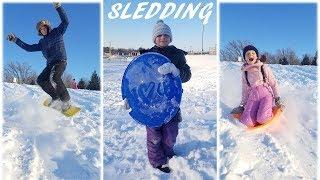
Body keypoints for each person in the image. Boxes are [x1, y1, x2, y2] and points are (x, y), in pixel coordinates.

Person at [134, 20, 191, 173]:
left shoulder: (177, 55)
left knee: (171, 135)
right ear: (154, 38)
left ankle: (168, 152)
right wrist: (130, 98)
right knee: (154, 135)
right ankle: (157, 161)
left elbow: (187, 74)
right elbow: (136, 80)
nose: (163, 37)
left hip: (171, 102)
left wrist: (176, 70)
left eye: (166, 35)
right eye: (159, 35)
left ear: (170, 37)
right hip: (151, 103)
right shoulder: (147, 56)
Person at [7, 2, 71, 110]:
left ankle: (65, 101)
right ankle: (55, 98)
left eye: (44, 27)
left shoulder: (57, 32)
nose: (43, 30)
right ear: (40, 31)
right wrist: (16, 40)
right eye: (41, 29)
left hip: (60, 61)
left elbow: (65, 21)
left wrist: (58, 7)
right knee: (41, 80)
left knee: (55, 77)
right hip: (50, 64)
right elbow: (28, 48)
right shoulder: (42, 43)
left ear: (48, 27)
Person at [231, 45, 283, 127]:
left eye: (253, 53)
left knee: (262, 118)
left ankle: (269, 110)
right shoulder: (245, 72)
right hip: (253, 97)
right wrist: (242, 106)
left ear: (257, 56)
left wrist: (277, 98)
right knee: (246, 121)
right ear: (245, 58)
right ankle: (257, 112)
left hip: (265, 96)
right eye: (247, 54)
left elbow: (273, 83)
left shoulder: (263, 67)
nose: (250, 55)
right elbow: (245, 90)